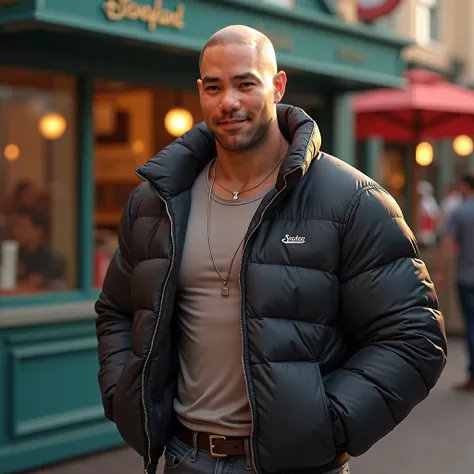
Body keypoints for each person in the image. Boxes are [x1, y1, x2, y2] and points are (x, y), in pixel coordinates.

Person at [95, 25, 447, 474]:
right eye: (215, 87)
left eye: (246, 84)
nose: (229, 103)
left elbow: (414, 338)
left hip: (294, 465)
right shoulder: (155, 201)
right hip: (183, 457)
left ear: (277, 86)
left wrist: (326, 425)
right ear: (200, 92)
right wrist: (121, 392)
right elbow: (117, 311)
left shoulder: (351, 200)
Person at [438, 174, 474, 391]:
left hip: (467, 277)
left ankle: (473, 374)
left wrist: (441, 272)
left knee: (471, 324)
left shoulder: (460, 212)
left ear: (464, 186)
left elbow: (448, 244)